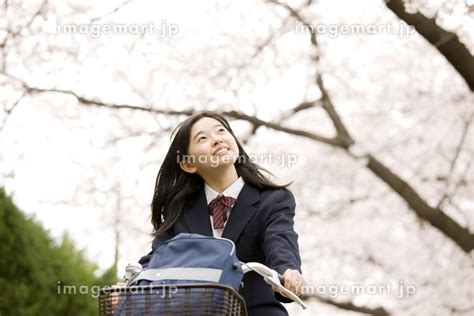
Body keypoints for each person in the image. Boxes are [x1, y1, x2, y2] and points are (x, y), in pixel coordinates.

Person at [138, 111, 305, 315]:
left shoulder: (273, 200)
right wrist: (133, 281)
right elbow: (159, 256)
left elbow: (280, 240)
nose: (217, 139)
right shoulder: (179, 210)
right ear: (189, 164)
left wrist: (287, 271)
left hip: (256, 310)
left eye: (221, 131)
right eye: (203, 138)